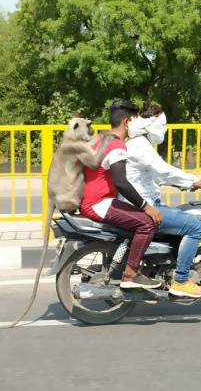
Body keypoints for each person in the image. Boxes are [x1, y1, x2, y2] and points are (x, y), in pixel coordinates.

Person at [125, 103, 201, 298]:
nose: (164, 130)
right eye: (162, 126)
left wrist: (189, 184)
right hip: (144, 206)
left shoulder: (137, 144)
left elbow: (158, 176)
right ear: (152, 126)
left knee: (182, 215)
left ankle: (170, 268)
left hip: (142, 202)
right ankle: (180, 280)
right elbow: (164, 171)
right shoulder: (140, 145)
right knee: (195, 227)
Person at [79, 99, 164, 289]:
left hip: (95, 201)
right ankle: (131, 275)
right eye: (135, 120)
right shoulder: (117, 146)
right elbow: (121, 183)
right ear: (127, 122)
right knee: (148, 223)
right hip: (99, 203)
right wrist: (148, 207)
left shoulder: (101, 139)